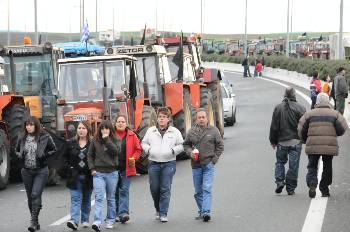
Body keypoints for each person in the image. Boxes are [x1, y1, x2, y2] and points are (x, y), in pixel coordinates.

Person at [298, 93, 348, 198]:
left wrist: (304, 140)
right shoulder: (335, 114)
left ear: (317, 101)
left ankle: (312, 183)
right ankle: (324, 189)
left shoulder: (309, 114)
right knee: (327, 167)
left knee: (312, 165)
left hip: (313, 145)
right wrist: (334, 135)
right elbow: (343, 128)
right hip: (329, 145)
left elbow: (301, 128)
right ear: (328, 101)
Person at [141, 107, 184, 223]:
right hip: (153, 163)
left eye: (164, 117)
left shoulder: (174, 132)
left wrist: (173, 151)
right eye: (160, 117)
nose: (161, 119)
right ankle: (158, 209)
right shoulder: (151, 131)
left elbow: (181, 145)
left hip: (169, 163)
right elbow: (143, 143)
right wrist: (148, 150)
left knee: (165, 188)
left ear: (168, 119)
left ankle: (164, 213)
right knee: (154, 188)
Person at [16, 116, 57, 232]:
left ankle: (33, 222)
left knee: (35, 194)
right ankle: (36, 221)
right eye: (27, 125)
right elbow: (16, 150)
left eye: (31, 125)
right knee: (30, 198)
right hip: (26, 171)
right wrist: (19, 155)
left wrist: (44, 155)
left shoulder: (45, 137)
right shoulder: (22, 137)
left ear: (36, 125)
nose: (28, 127)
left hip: (41, 170)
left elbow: (54, 149)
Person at [183, 108, 224, 222]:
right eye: (199, 117)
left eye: (203, 117)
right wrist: (190, 152)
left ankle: (206, 212)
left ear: (207, 118)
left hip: (208, 164)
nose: (201, 119)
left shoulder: (214, 131)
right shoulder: (191, 131)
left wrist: (214, 159)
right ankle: (202, 211)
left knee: (207, 188)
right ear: (196, 119)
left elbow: (220, 146)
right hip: (196, 165)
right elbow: (186, 145)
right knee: (198, 192)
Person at [269, 88, 306, 195]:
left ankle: (280, 181)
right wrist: (303, 139)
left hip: (281, 142)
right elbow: (304, 126)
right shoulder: (301, 108)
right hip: (295, 141)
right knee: (293, 166)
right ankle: (290, 188)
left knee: (280, 162)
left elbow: (274, 127)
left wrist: (273, 140)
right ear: (295, 95)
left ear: (284, 95)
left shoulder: (278, 108)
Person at [87, 120, 119, 231]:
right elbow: (90, 155)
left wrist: (106, 139)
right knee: (99, 197)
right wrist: (92, 168)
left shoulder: (115, 140)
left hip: (112, 173)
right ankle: (97, 221)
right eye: (102, 128)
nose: (104, 130)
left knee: (110, 198)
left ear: (110, 130)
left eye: (106, 128)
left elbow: (115, 152)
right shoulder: (95, 140)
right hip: (98, 173)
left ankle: (110, 220)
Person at [65, 121, 93, 230]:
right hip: (74, 176)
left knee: (86, 199)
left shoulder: (92, 144)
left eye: (83, 128)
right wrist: (69, 168)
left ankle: (85, 219)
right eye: (79, 128)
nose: (81, 130)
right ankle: (74, 221)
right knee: (75, 198)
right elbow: (65, 158)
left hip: (88, 176)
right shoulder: (70, 143)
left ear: (88, 130)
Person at [114, 115, 142, 223]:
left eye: (122, 121)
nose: (120, 123)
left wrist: (134, 158)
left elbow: (138, 149)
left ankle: (123, 213)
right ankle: (116, 213)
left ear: (126, 124)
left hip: (127, 168)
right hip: (113, 169)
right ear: (115, 123)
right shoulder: (111, 135)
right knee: (115, 191)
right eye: (118, 121)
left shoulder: (132, 135)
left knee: (124, 190)